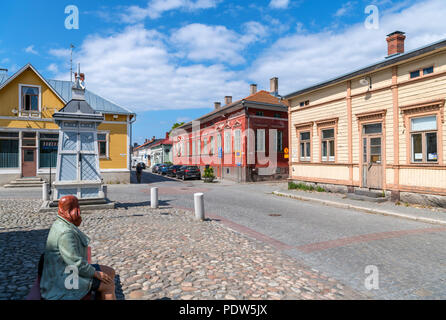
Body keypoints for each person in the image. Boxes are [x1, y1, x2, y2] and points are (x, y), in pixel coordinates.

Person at [40, 195, 116, 300]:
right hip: (64, 278)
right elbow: (75, 262)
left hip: (67, 269)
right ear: (74, 210)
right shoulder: (65, 233)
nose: (79, 212)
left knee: (110, 271)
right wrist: (95, 273)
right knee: (108, 285)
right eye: (77, 209)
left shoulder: (61, 222)